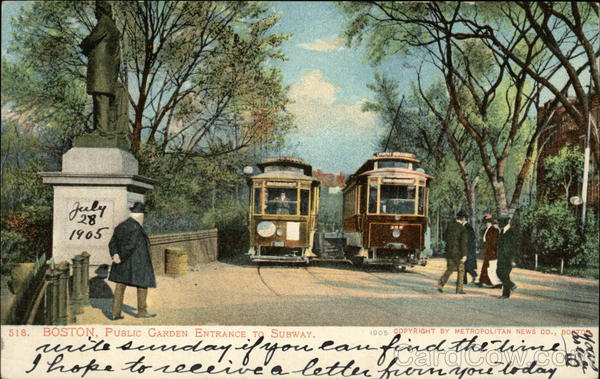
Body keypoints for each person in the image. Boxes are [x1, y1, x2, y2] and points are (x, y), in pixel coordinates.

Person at [108, 202, 157, 320]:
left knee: (120, 287)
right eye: (143, 215)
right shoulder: (136, 228)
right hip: (136, 263)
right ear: (140, 215)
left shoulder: (121, 226)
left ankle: (115, 313)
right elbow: (130, 246)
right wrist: (122, 256)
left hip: (122, 263)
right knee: (142, 285)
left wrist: (115, 255)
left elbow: (112, 243)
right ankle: (142, 312)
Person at [80, 1, 120, 133]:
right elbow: (117, 56)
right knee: (103, 99)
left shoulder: (104, 23)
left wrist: (83, 44)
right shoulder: (113, 28)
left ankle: (101, 130)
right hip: (108, 71)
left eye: (96, 9)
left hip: (100, 69)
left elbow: (92, 39)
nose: (95, 12)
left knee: (100, 98)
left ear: (101, 10)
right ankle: (102, 128)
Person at [438, 210, 468, 294]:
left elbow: (444, 237)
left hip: (449, 252)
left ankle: (441, 283)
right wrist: (464, 254)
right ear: (463, 218)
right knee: (461, 270)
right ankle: (459, 289)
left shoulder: (450, 226)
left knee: (450, 269)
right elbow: (463, 243)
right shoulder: (463, 229)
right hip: (458, 253)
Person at [496, 213, 518, 298]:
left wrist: (512, 259)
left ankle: (508, 290)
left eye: (499, 222)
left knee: (503, 274)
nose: (498, 223)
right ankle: (508, 289)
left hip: (508, 257)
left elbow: (514, 247)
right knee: (500, 273)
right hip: (501, 257)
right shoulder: (502, 231)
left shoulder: (511, 232)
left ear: (504, 222)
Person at [477, 214, 502, 287]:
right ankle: (482, 281)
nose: (486, 223)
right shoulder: (488, 229)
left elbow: (494, 242)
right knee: (486, 266)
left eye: (487, 222)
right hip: (488, 250)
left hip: (492, 251)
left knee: (490, 267)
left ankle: (496, 283)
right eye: (486, 222)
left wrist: (490, 249)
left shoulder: (494, 229)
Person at [462, 216, 478, 284]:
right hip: (467, 248)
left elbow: (470, 239)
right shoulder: (465, 226)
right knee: (464, 265)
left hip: (468, 249)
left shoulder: (468, 227)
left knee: (466, 265)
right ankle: (464, 280)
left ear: (463, 218)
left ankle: (474, 275)